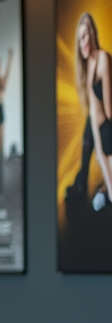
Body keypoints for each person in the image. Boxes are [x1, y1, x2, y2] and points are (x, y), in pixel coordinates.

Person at [66, 13, 112, 210]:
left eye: (86, 35)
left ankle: (99, 189)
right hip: (104, 134)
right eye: (80, 38)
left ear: (93, 33)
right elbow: (94, 116)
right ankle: (95, 188)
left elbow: (109, 112)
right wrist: (101, 155)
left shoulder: (102, 58)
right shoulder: (88, 66)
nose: (84, 42)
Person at [0, 49, 13, 196]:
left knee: (1, 150)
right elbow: (2, 80)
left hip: (1, 110)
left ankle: (1, 188)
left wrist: (10, 59)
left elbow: (5, 78)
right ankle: (0, 188)